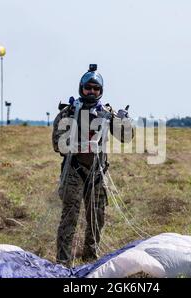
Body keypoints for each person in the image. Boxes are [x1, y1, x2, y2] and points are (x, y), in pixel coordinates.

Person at [52, 64, 134, 266]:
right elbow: (57, 144)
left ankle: (90, 259)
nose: (92, 92)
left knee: (97, 218)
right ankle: (63, 263)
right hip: (74, 171)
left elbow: (126, 138)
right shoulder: (68, 113)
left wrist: (125, 122)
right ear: (81, 88)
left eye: (96, 89)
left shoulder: (107, 113)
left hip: (97, 173)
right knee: (69, 218)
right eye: (88, 88)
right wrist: (78, 145)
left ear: (101, 91)